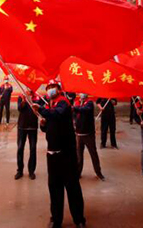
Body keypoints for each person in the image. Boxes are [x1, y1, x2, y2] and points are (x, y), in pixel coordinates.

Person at [32, 80, 86, 228]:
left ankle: (79, 219)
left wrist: (41, 109)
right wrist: (43, 124)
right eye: (48, 88)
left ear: (59, 89)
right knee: (54, 188)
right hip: (52, 153)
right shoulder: (49, 106)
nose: (50, 90)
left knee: (72, 186)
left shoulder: (63, 102)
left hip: (66, 153)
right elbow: (49, 126)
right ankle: (56, 219)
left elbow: (57, 115)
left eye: (53, 87)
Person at [74, 93, 105, 181]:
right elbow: (74, 115)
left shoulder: (89, 103)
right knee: (79, 155)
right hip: (78, 134)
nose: (82, 95)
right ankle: (78, 173)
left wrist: (74, 108)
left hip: (88, 134)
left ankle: (98, 173)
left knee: (93, 154)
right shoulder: (77, 103)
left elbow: (84, 109)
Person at [16, 89, 43, 180]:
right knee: (20, 148)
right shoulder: (21, 96)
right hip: (22, 126)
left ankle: (31, 171)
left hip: (33, 127)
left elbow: (41, 110)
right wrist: (23, 101)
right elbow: (19, 108)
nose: (29, 88)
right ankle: (20, 170)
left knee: (33, 149)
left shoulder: (37, 98)